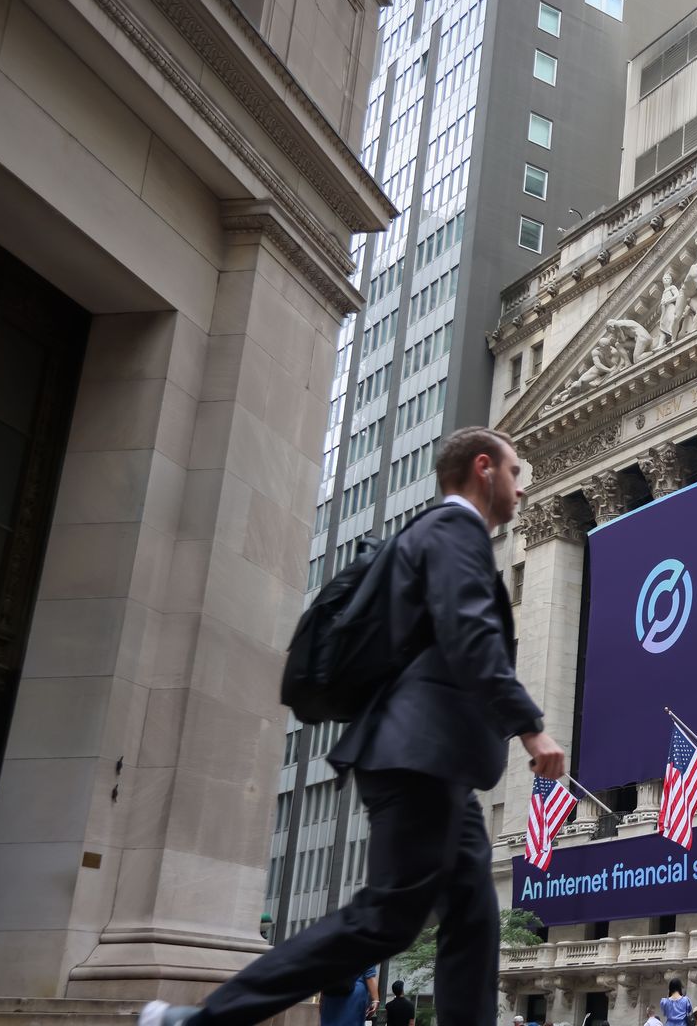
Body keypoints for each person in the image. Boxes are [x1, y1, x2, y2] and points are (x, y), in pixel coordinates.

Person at [140, 427, 565, 1026]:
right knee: (386, 917)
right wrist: (530, 727)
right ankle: (199, 1021)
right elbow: (468, 631)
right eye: (516, 472)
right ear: (483, 469)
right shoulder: (452, 530)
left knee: (473, 919)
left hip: (430, 757)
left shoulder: (429, 534)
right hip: (420, 754)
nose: (522, 489)